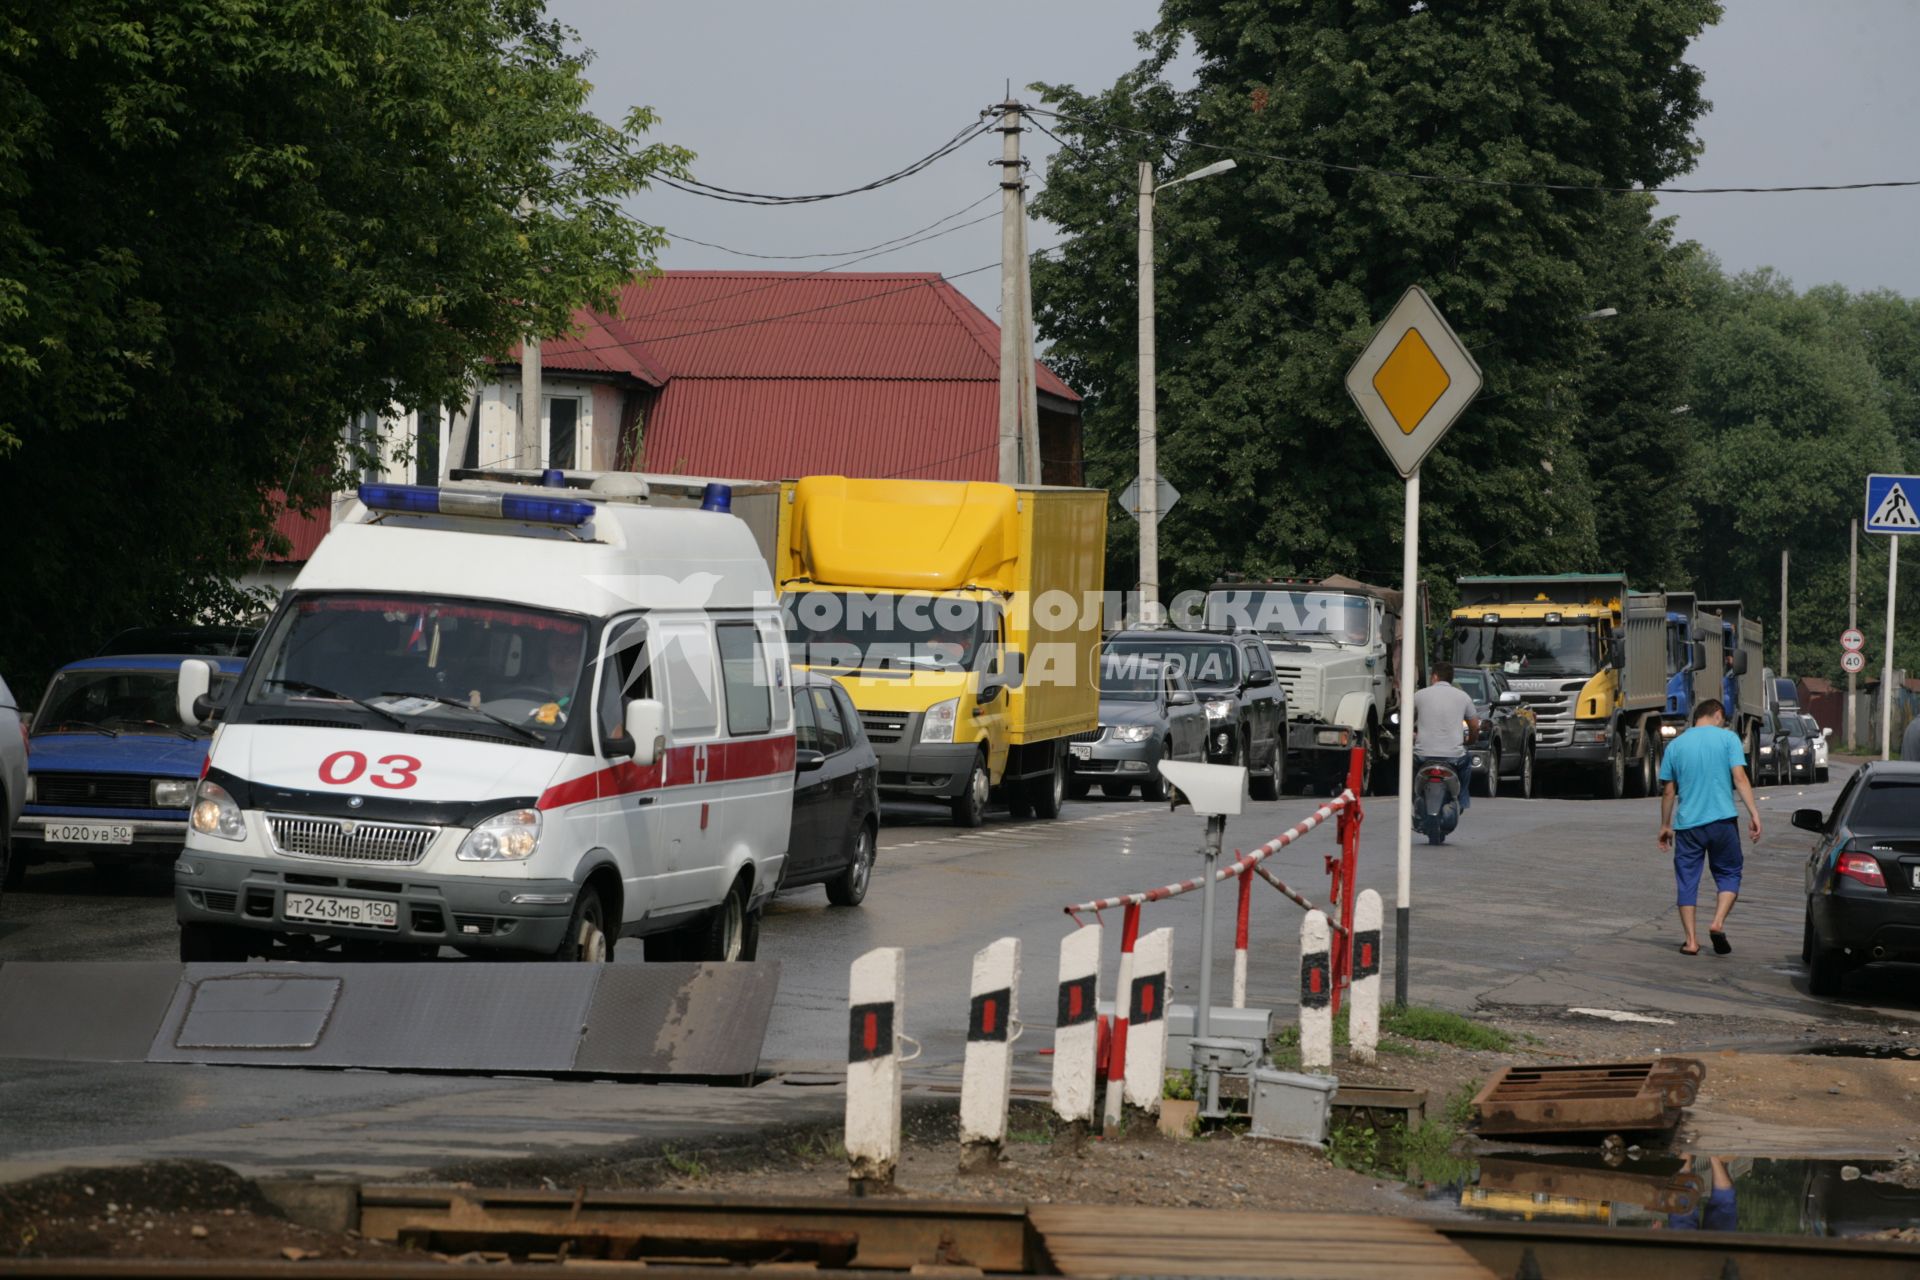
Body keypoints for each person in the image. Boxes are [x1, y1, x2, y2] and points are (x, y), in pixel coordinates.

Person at [1657, 699, 1762, 956]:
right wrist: (1754, 813)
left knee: (1687, 880)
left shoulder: (1676, 745)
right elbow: (1739, 778)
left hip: (1688, 826)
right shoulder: (1728, 740)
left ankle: (1691, 941)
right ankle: (1717, 922)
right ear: (1717, 714)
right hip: (1722, 822)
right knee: (1729, 873)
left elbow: (1669, 791)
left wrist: (1665, 825)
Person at [1411, 662, 1481, 809]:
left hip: (1423, 755)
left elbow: (1406, 720)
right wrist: (1470, 741)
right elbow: (1474, 726)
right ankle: (1462, 800)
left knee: (1408, 767)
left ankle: (1413, 797)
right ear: (1451, 678)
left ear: (1434, 676)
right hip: (1454, 757)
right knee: (1467, 761)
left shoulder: (1418, 695)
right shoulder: (1463, 697)